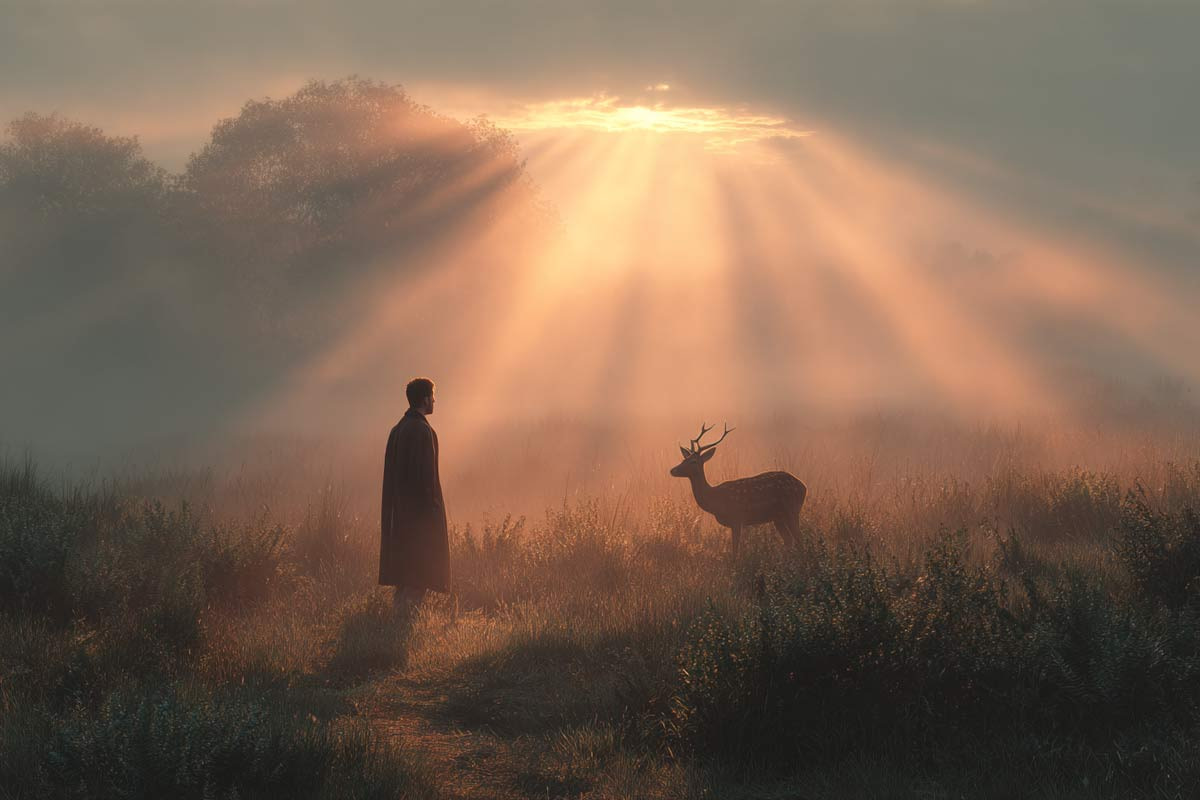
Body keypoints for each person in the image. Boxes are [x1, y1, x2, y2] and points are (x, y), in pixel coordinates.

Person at [380, 377, 449, 610]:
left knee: (405, 575)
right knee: (419, 575)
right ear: (425, 399)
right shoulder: (422, 431)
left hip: (400, 516)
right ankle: (405, 625)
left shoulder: (397, 429)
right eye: (432, 396)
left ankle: (397, 622)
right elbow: (426, 479)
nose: (435, 401)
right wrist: (432, 514)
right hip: (419, 518)